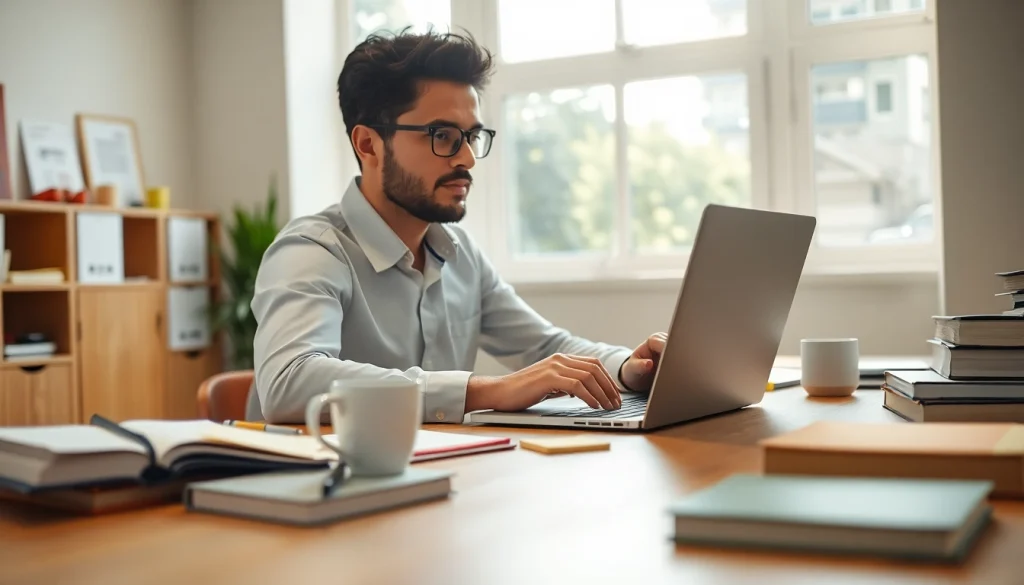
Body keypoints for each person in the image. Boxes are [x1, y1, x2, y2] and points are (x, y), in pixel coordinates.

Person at [247, 29, 668, 424]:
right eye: (442, 135)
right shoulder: (311, 252)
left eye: (472, 136)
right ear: (369, 144)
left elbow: (545, 347)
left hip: (434, 477)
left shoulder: (459, 252)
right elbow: (289, 381)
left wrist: (632, 369)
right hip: (316, 486)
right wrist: (486, 391)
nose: (466, 157)